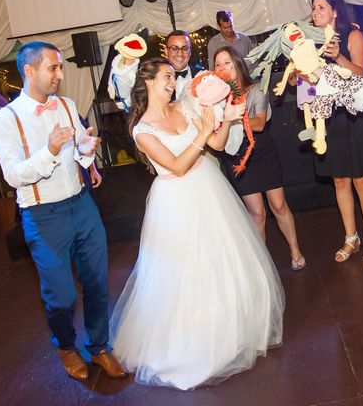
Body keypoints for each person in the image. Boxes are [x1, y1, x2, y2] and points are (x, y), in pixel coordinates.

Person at [110, 58, 285, 390]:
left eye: (173, 76)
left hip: (209, 188)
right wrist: (205, 131)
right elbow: (176, 166)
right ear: (148, 82)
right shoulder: (141, 130)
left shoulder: (184, 107)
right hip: (176, 202)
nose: (171, 81)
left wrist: (227, 121)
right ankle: (192, 344)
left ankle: (231, 332)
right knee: (186, 273)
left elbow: (215, 147)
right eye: (166, 76)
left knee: (220, 261)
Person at [0, 42, 127, 380]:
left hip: (81, 205)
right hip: (42, 215)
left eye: (60, 67)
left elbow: (79, 152)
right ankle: (66, 346)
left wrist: (86, 150)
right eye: (53, 68)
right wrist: (50, 149)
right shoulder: (5, 120)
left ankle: (98, 347)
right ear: (29, 71)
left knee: (97, 282)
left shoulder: (66, 105)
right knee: (61, 295)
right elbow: (13, 176)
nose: (60, 75)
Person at [307, 0, 363, 267]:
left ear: (335, 11)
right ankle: (351, 237)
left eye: (321, 7)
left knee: (361, 179)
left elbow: (361, 74)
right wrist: (299, 78)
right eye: (314, 8)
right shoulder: (308, 43)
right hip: (329, 117)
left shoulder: (352, 35)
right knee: (339, 180)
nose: (316, 12)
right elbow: (308, 84)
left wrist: (338, 56)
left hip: (355, 115)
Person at [214, 46, 306, 271]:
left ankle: (295, 250)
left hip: (261, 150)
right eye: (217, 64)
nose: (222, 68)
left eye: (227, 62)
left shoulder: (255, 90)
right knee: (256, 213)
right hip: (236, 156)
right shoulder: (215, 97)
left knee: (279, 205)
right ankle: (262, 265)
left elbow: (260, 122)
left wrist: (233, 119)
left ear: (237, 64)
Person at [166, 30, 203, 100]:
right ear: (166, 51)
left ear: (190, 52)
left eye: (185, 48)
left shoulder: (202, 76)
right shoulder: (157, 79)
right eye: (174, 48)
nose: (180, 53)